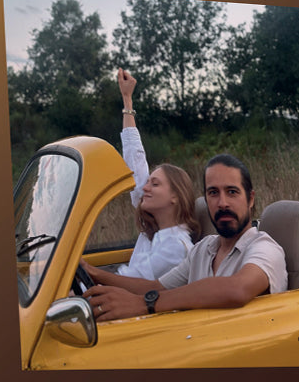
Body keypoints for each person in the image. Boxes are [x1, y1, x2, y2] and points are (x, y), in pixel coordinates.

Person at [84, 153, 287, 321]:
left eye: (232, 192)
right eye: (213, 193)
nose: (222, 203)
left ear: (250, 199)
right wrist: (93, 273)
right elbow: (154, 287)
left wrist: (143, 304)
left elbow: (237, 289)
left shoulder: (265, 247)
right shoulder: (204, 248)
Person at [113, 68, 198, 281]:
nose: (145, 187)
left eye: (155, 184)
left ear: (175, 196)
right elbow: (135, 164)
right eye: (149, 183)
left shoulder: (176, 247)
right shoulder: (153, 233)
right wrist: (127, 101)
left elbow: (129, 282)